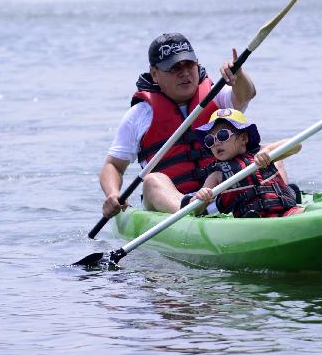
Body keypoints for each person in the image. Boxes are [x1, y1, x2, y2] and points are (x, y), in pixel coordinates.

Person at [100, 33, 256, 218]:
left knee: (267, 153)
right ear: (155, 74)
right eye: (174, 68)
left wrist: (238, 75)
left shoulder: (217, 95)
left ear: (197, 64)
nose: (184, 73)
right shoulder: (140, 114)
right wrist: (113, 194)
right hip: (174, 203)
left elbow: (246, 94)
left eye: (189, 65)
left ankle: (279, 200)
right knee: (151, 181)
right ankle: (192, 210)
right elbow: (113, 166)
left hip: (222, 190)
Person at [190, 108, 303, 218]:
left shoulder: (262, 155)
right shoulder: (216, 175)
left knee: (300, 213)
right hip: (249, 221)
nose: (216, 143)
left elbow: (297, 145)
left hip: (286, 212)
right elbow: (194, 209)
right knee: (253, 217)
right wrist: (201, 197)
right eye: (210, 140)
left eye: (222, 135)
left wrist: (268, 151)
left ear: (243, 138)